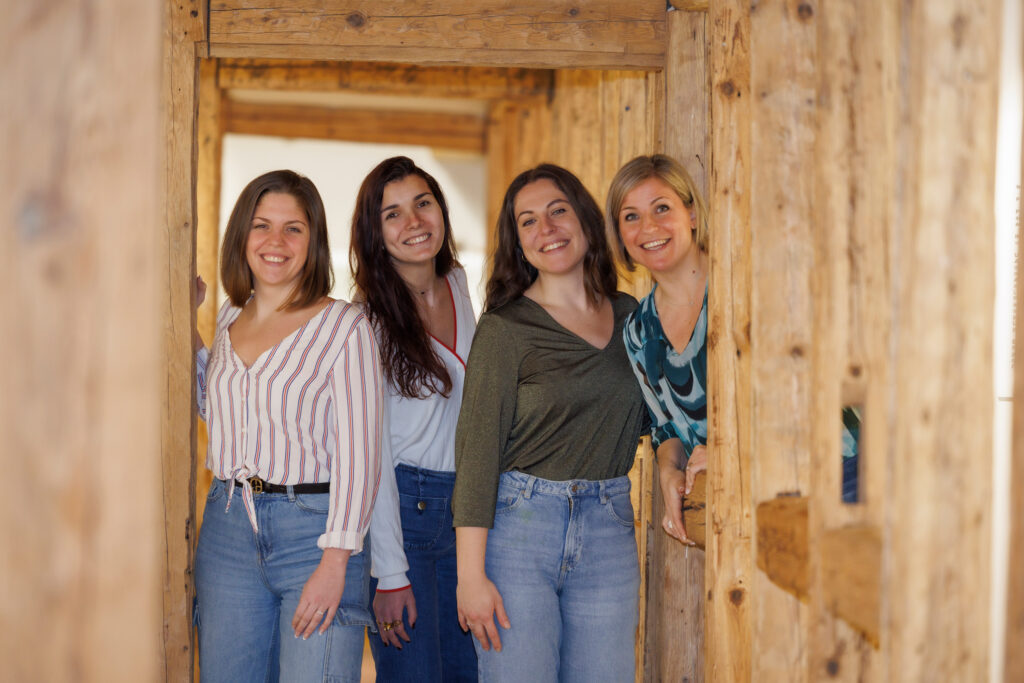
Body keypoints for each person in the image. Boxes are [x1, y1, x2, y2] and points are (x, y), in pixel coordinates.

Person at [452, 164, 648, 682]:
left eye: (558, 211)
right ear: (518, 244)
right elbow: (477, 458)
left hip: (608, 526)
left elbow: (664, 416)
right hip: (520, 530)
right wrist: (469, 577)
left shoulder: (632, 318)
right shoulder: (504, 329)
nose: (548, 228)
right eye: (529, 221)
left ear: (584, 219)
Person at [193, 170, 383, 683]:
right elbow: (219, 411)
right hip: (228, 526)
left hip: (314, 536)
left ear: (313, 241)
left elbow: (360, 458)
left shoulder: (345, 327)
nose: (275, 242)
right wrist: (182, 321)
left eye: (293, 228)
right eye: (262, 226)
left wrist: (336, 564)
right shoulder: (231, 315)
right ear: (242, 237)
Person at [350, 156, 477, 681]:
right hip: (405, 512)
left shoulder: (459, 282)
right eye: (393, 214)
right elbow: (369, 453)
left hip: (467, 513)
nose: (414, 223)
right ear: (375, 235)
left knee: (469, 673)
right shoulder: (366, 319)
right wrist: (390, 573)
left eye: (423, 203)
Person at [605, 154, 709, 545]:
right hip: (735, 509)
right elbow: (665, 425)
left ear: (693, 214)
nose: (648, 227)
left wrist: (725, 448)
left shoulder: (743, 286)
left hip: (837, 472)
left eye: (662, 208)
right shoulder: (637, 331)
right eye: (631, 216)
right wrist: (668, 470)